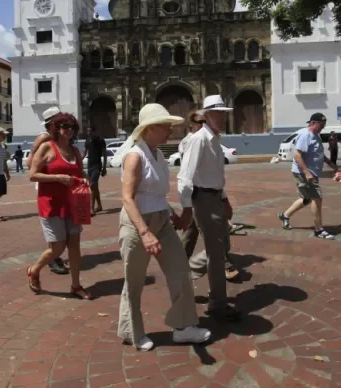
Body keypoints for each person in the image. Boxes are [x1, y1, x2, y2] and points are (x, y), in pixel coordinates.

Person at [115, 104, 212, 351]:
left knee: (180, 271)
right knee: (134, 279)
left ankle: (184, 327)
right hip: (138, 225)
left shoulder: (157, 154)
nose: (170, 130)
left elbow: (155, 194)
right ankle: (132, 332)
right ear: (150, 128)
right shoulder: (135, 156)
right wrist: (145, 233)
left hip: (161, 220)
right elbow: (128, 198)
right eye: (166, 126)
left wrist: (175, 215)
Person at [177, 95, 241, 322]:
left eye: (224, 113)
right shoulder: (199, 140)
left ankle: (184, 275)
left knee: (220, 246)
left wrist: (224, 199)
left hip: (213, 197)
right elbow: (184, 178)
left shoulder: (213, 139)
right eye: (218, 113)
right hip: (202, 198)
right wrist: (186, 208)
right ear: (206, 116)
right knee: (216, 251)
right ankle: (216, 303)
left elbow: (217, 175)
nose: (223, 118)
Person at [26, 113, 93, 300]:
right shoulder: (47, 147)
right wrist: (57, 177)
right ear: (56, 128)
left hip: (73, 204)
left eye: (72, 127)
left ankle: (76, 285)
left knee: (74, 245)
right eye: (64, 126)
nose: (68, 130)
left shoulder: (75, 151)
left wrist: (85, 181)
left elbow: (82, 174)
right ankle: (34, 269)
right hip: (51, 204)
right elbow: (32, 175)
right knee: (57, 247)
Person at [278, 113, 339, 238]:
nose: (323, 127)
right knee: (317, 198)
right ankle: (319, 230)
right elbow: (297, 155)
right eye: (321, 125)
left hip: (311, 173)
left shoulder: (316, 135)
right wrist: (306, 172)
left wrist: (331, 164)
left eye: (324, 125)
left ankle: (285, 215)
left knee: (307, 199)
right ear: (313, 123)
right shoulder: (305, 135)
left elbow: (318, 153)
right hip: (304, 173)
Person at [27, 106, 68, 275]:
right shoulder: (44, 138)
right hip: (47, 182)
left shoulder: (56, 137)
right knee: (53, 220)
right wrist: (47, 171)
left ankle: (54, 255)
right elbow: (30, 162)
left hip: (57, 182)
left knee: (58, 220)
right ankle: (53, 258)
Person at [83, 126, 108, 216]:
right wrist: (77, 161)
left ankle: (91, 208)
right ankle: (100, 206)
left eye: (90, 131)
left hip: (97, 166)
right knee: (94, 187)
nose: (89, 133)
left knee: (92, 184)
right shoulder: (87, 141)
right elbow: (84, 153)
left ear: (94, 131)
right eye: (88, 131)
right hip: (89, 166)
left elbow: (105, 155)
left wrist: (104, 168)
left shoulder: (101, 141)